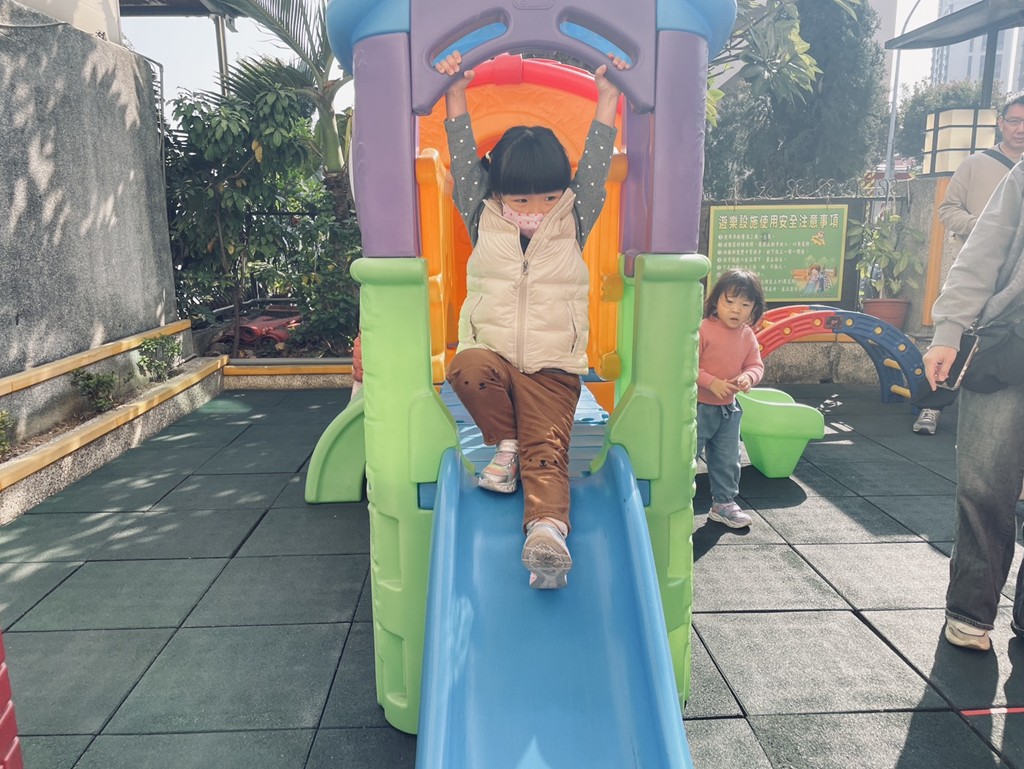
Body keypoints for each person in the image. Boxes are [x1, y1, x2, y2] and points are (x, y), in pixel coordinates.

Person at [435, 50, 627, 589]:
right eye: (522, 197)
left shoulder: (574, 216)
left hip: (552, 368)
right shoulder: (481, 214)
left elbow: (595, 163)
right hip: (494, 357)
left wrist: (608, 99)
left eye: (548, 195)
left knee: (549, 453)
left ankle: (546, 536)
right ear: (498, 192)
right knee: (466, 368)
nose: (537, 208)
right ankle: (507, 443)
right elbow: (462, 156)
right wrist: (456, 94)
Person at [921, 155, 1024, 652]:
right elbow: (984, 248)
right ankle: (970, 611)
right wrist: (949, 330)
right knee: (985, 482)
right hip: (1010, 338)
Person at [914, 92, 1024, 435]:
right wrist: (982, 226)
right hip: (977, 269)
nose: (1021, 128)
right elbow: (948, 209)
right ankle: (931, 408)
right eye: (1015, 120)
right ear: (1000, 123)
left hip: (1014, 295)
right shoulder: (977, 164)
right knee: (955, 340)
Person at [696, 269, 766, 529]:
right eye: (730, 301)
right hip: (697, 408)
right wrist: (710, 382)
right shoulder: (703, 330)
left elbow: (755, 365)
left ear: (754, 309)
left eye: (745, 304)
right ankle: (677, 498)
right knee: (687, 456)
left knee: (728, 459)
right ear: (716, 301)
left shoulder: (747, 335)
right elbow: (688, 366)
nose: (736, 309)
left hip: (728, 410)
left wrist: (748, 377)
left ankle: (723, 503)